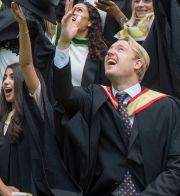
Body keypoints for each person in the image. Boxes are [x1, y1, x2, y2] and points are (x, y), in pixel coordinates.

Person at [53, 25, 180, 193]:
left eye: (120, 49)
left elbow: (176, 166)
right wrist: (63, 42)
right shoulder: (94, 97)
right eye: (110, 50)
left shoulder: (165, 106)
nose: (110, 53)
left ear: (137, 63)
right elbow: (64, 93)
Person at [0, 2, 79, 195]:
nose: (6, 82)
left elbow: (27, 63)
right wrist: (3, 189)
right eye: (4, 77)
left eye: (12, 77)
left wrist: (22, 25)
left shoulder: (36, 108)